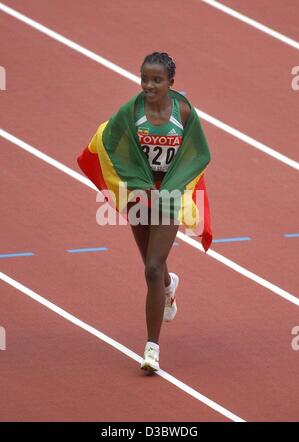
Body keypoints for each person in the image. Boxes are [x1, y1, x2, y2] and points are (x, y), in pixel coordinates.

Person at [77, 52, 212, 372]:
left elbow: (198, 154)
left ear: (171, 83)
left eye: (156, 80)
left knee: (152, 267)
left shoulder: (183, 112)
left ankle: (152, 349)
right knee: (153, 266)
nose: (148, 85)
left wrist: (171, 187)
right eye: (144, 79)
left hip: (170, 194)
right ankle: (169, 287)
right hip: (139, 194)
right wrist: (139, 184)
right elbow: (111, 145)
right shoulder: (130, 112)